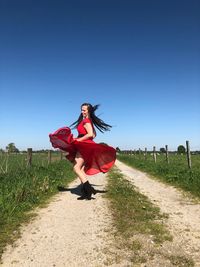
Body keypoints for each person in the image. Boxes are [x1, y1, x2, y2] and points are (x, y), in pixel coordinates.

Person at [49, 103, 116, 200]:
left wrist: (79, 140)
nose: (82, 112)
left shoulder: (86, 121)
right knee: (81, 169)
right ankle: (86, 193)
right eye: (81, 110)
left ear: (89, 111)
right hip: (84, 145)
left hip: (84, 147)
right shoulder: (87, 121)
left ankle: (89, 189)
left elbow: (90, 134)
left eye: (84, 110)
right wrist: (78, 138)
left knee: (76, 168)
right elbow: (93, 135)